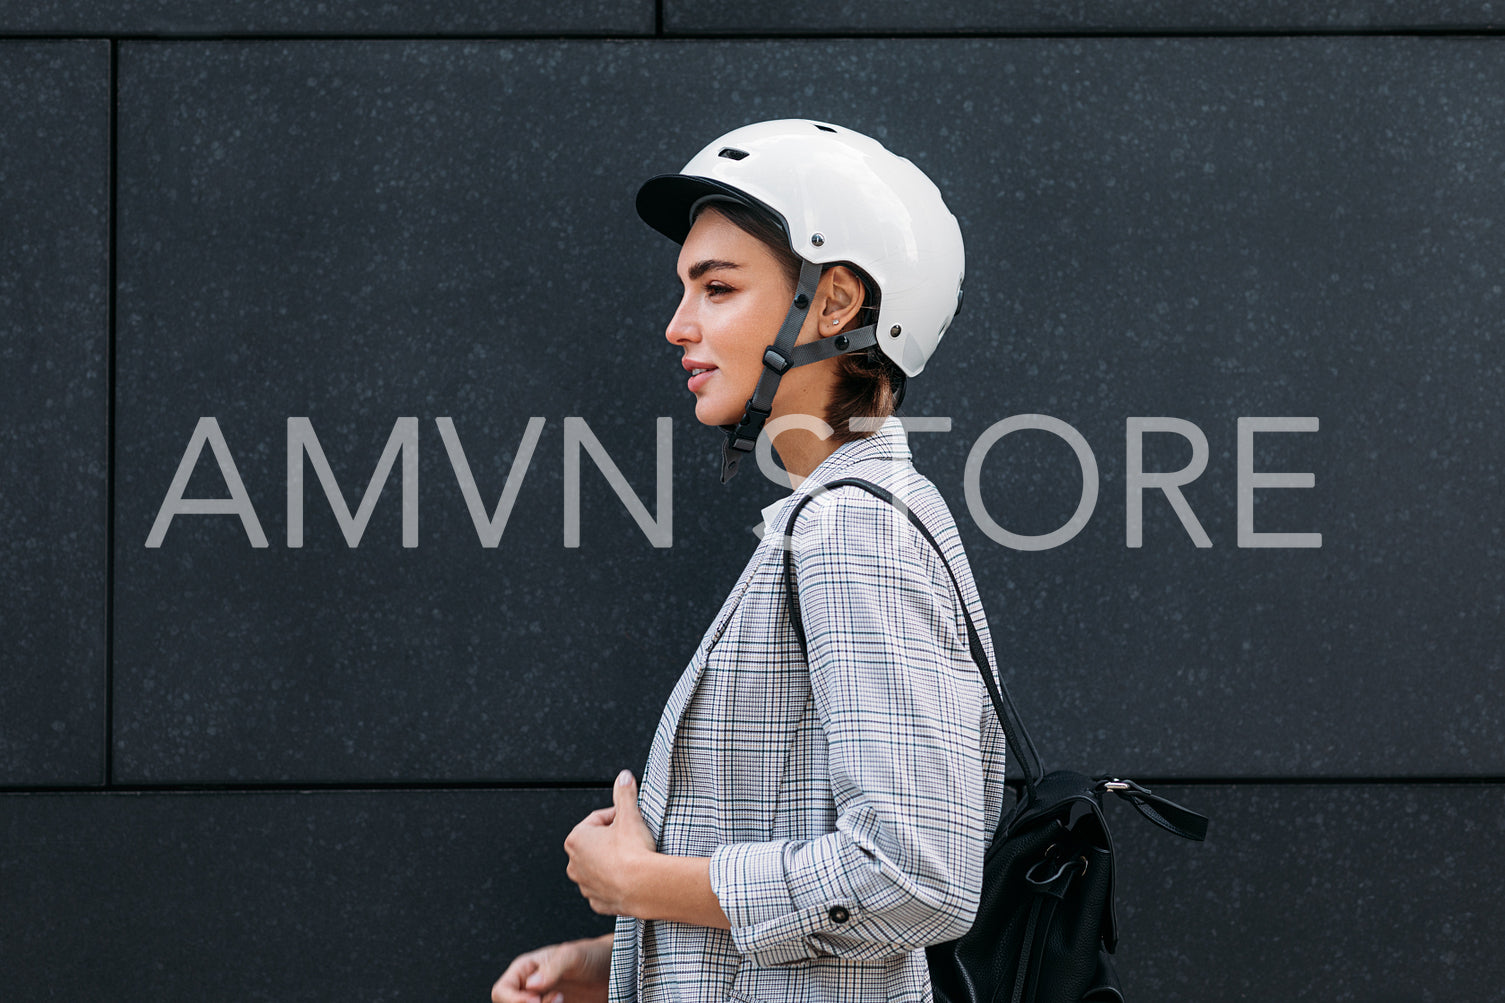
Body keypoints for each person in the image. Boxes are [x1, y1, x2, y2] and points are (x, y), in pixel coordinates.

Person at [493, 120, 1006, 1003]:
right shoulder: (839, 517)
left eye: (717, 287)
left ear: (836, 304)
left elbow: (918, 875)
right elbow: (812, 846)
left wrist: (641, 884)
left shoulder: (853, 533)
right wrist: (612, 958)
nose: (677, 325)